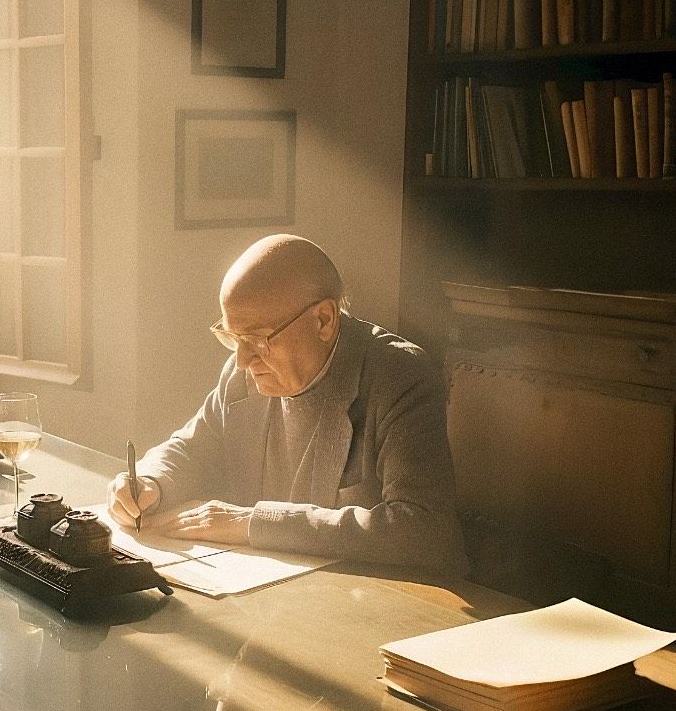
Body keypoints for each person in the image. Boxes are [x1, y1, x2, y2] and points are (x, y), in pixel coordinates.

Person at [108, 234, 467, 573]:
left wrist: (253, 523)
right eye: (232, 338)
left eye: (258, 339)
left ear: (323, 320)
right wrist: (149, 481)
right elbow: (191, 449)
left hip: (379, 605)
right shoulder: (242, 372)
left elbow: (424, 531)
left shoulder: (399, 376)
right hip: (270, 592)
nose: (244, 359)